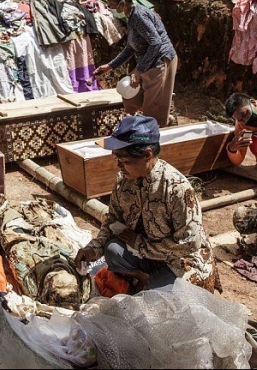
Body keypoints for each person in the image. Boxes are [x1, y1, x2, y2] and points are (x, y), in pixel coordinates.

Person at [73, 116, 218, 294]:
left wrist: (141, 245)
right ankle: (144, 277)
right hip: (145, 254)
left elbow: (188, 244)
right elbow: (113, 221)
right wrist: (93, 249)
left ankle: (152, 282)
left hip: (180, 260)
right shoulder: (123, 181)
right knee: (112, 251)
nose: (119, 166)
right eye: (116, 159)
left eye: (124, 161)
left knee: (152, 301)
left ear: (147, 155)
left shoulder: (176, 189)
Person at [94, 0, 178, 128]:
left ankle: (159, 129)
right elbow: (130, 47)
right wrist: (110, 66)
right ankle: (165, 119)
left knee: (152, 113)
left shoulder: (139, 15)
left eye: (112, 6)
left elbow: (156, 43)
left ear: (122, 4)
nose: (111, 10)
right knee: (131, 98)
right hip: (147, 62)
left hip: (159, 61)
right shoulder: (131, 16)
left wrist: (138, 70)